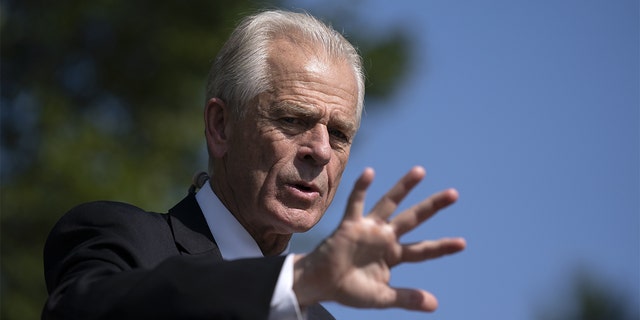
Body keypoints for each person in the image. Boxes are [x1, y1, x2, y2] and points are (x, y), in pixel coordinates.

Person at [42, 9, 466, 320]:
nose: (319, 150)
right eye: (293, 119)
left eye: (339, 134)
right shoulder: (123, 239)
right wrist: (293, 283)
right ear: (221, 126)